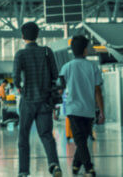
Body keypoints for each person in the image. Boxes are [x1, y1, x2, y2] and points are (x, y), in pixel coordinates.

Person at [13, 22, 62, 177]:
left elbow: (15, 78)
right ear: (37, 35)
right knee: (47, 135)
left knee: (23, 136)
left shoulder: (20, 54)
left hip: (27, 100)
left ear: (23, 37)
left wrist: (19, 86)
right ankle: (54, 165)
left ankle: (23, 171)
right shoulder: (47, 52)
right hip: (45, 101)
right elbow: (56, 75)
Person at [59, 35, 104, 176]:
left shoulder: (66, 67)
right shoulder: (93, 67)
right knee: (81, 140)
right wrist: (101, 112)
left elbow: (59, 89)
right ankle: (89, 167)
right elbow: (98, 91)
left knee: (81, 141)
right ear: (85, 51)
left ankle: (77, 166)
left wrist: (55, 108)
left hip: (73, 110)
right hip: (88, 111)